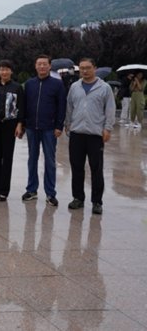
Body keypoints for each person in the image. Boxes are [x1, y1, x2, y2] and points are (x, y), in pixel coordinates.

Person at [65, 58, 116, 215]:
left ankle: (97, 202)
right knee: (77, 168)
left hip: (95, 135)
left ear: (95, 68)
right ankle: (78, 198)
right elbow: (69, 107)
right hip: (77, 133)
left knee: (96, 168)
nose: (85, 71)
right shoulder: (75, 87)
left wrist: (107, 128)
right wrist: (68, 124)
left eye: (88, 68)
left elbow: (110, 109)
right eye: (82, 68)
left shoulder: (104, 88)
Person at [21, 55, 66, 207]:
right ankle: (32, 189)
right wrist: (22, 124)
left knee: (50, 161)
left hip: (49, 128)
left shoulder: (57, 84)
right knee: (32, 159)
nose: (42, 67)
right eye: (39, 64)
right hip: (32, 127)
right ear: (35, 66)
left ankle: (50, 193)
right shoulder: (29, 84)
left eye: (44, 64)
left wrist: (59, 125)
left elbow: (61, 106)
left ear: (49, 66)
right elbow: (24, 105)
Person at [0, 60, 24, 201]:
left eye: (7, 69)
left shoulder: (17, 87)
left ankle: (3, 191)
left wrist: (20, 124)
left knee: (7, 157)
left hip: (10, 125)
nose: (4, 72)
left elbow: (21, 107)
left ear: (11, 71)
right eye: (2, 70)